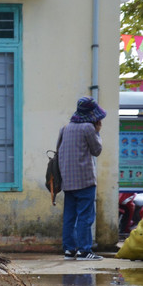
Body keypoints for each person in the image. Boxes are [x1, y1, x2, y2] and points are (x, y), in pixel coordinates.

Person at [58, 97, 105, 261]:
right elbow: (96, 150)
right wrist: (97, 132)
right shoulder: (88, 128)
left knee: (69, 216)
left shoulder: (65, 128)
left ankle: (69, 250)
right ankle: (85, 251)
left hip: (67, 180)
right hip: (85, 180)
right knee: (85, 216)